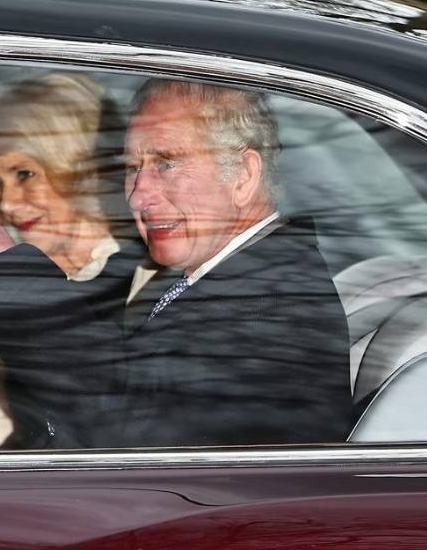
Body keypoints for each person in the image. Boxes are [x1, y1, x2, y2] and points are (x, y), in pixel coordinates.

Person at [120, 79, 352, 446]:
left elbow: (127, 447)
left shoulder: (261, 316)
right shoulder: (232, 281)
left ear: (243, 176)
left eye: (166, 163)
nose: (137, 197)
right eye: (133, 168)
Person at [0, 71, 142, 449]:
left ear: (78, 167)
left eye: (25, 174)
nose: (7, 204)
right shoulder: (62, 274)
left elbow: (87, 399)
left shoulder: (137, 280)